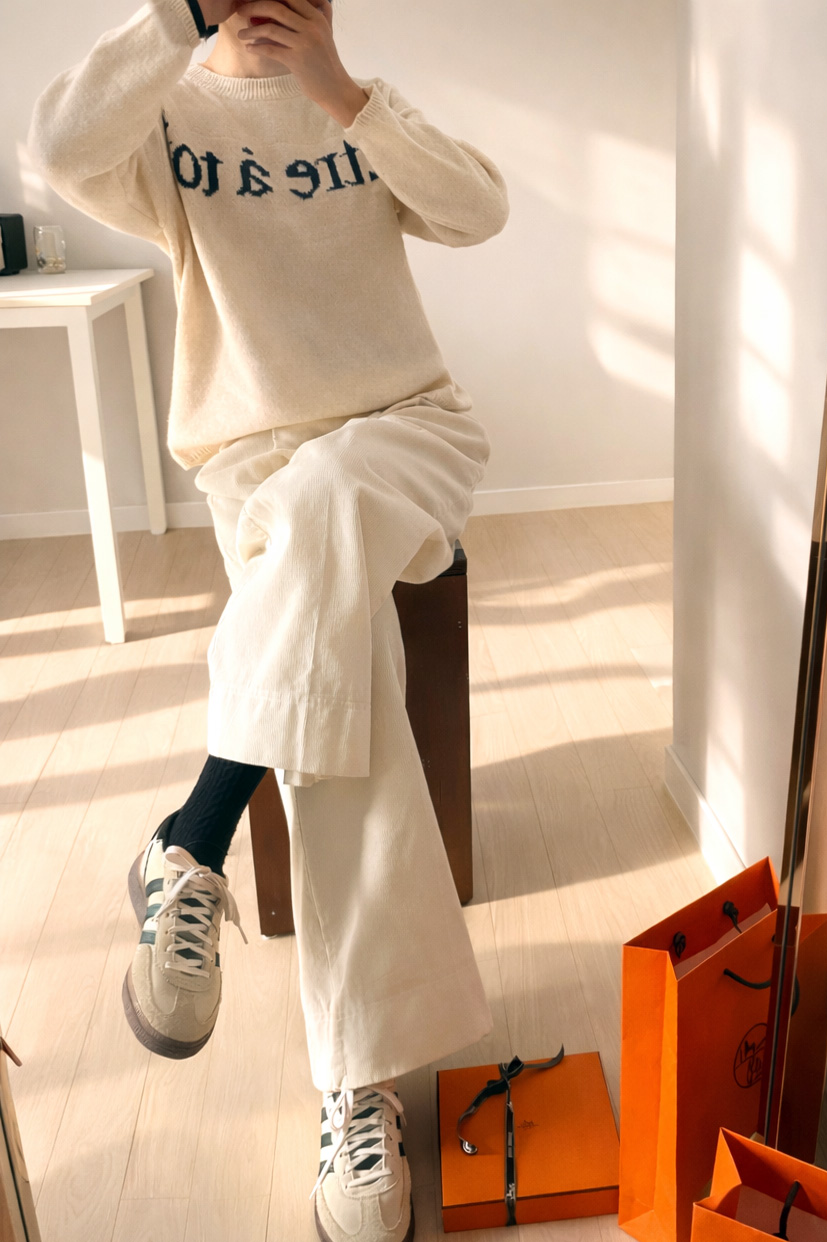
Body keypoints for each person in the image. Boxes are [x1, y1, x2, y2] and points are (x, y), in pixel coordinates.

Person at [28, 2, 509, 1238]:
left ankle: (193, 837)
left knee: (330, 506)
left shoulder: (364, 106)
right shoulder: (166, 114)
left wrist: (344, 95)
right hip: (256, 465)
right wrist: (172, 22)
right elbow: (59, 149)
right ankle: (356, 1085)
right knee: (342, 673)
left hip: (407, 435)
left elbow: (478, 212)